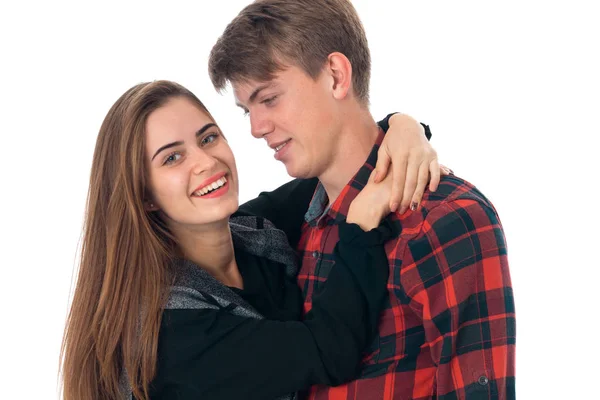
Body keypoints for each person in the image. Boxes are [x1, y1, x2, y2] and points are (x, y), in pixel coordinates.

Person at [59, 80, 444, 400]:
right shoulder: (171, 330)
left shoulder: (252, 233)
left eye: (208, 138)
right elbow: (329, 351)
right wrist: (360, 227)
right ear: (143, 194)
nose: (205, 162)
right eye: (172, 158)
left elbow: (345, 163)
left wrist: (403, 128)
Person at [209, 0, 516, 398]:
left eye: (269, 99)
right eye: (245, 109)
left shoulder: (445, 220)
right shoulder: (288, 229)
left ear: (337, 76)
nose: (255, 128)